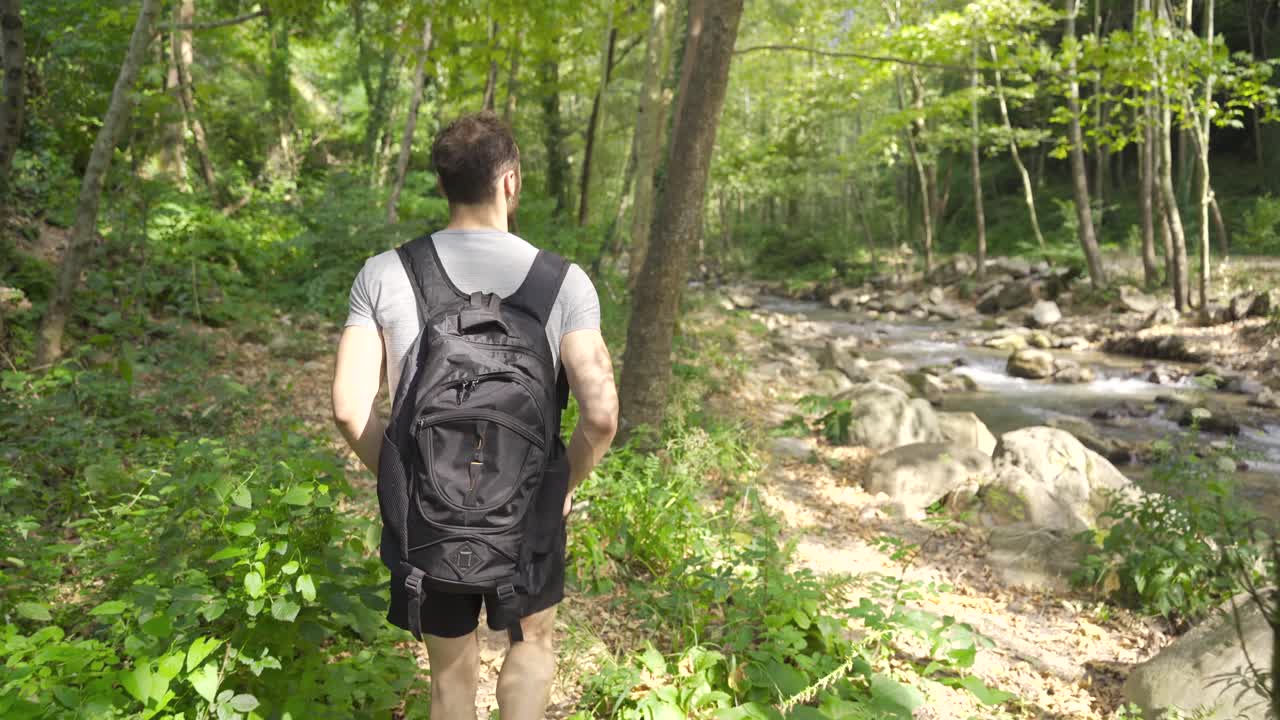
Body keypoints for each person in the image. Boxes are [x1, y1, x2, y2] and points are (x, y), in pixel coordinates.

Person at [331, 111, 619, 720]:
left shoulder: (385, 274)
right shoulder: (564, 283)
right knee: (533, 642)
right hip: (531, 504)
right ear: (510, 182)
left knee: (450, 681)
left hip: (428, 512)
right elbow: (600, 417)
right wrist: (560, 484)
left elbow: (348, 409)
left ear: (442, 185)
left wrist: (405, 477)